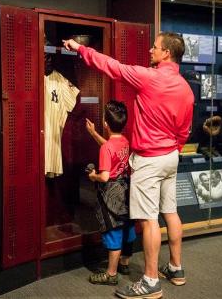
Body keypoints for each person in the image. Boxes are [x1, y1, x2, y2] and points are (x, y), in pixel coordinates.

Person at [63, 31, 194, 299]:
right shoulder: (186, 88)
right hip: (171, 157)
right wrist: (175, 150)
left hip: (150, 159)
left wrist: (79, 48)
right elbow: (185, 130)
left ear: (166, 53)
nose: (150, 51)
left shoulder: (149, 77)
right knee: (170, 212)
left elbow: (111, 66)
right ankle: (176, 269)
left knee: (148, 222)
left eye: (154, 47)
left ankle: (150, 282)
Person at [85, 100, 136, 286]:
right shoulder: (124, 141)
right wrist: (93, 134)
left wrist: (93, 176)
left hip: (111, 193)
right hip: (126, 189)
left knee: (113, 228)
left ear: (105, 123)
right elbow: (110, 148)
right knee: (128, 226)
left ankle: (111, 274)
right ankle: (124, 263)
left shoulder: (106, 148)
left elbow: (105, 176)